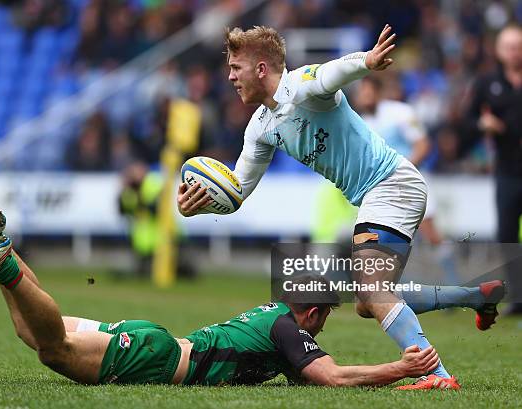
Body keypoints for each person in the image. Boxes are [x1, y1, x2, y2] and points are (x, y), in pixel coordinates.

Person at [176, 25, 506, 389]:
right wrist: (200, 206)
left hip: (392, 183)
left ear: (261, 68)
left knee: (374, 290)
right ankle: (477, 297)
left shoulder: (300, 85)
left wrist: (367, 60)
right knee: (368, 300)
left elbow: (333, 71)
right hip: (376, 194)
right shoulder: (259, 127)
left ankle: (438, 375)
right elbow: (238, 190)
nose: (230, 76)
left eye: (236, 67)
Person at [0, 193, 443, 387]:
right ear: (308, 308)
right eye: (324, 315)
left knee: (40, 337)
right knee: (52, 350)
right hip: (158, 358)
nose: (323, 325)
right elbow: (330, 376)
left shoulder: (275, 319)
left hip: (157, 343)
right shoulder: (290, 329)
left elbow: (306, 375)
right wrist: (397, 369)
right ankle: (1, 262)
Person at [354, 76, 461, 287]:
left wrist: (400, 171)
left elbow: (423, 145)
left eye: (368, 92)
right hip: (381, 189)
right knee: (381, 236)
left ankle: (453, 280)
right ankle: (386, 287)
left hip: (410, 181)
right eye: (361, 92)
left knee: (430, 232)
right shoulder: (360, 121)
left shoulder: (400, 113)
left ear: (378, 92)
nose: (364, 96)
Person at [465, 24, 522, 315]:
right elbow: (467, 119)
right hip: (508, 170)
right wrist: (482, 124)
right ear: (499, 51)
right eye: (509, 46)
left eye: (518, 45)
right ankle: (518, 298)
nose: (515, 51)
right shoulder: (487, 82)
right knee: (507, 236)